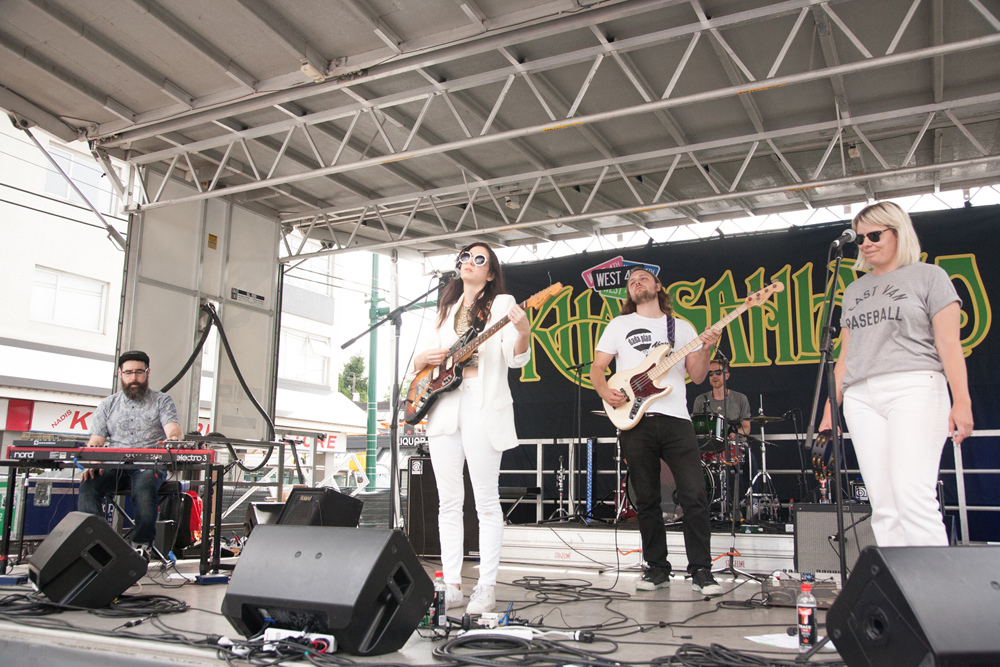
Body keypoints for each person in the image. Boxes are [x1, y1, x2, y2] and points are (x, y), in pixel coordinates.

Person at [820, 202, 973, 547]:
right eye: (860, 239)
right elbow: (845, 354)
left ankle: (933, 594)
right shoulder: (854, 290)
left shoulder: (930, 276)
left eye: (875, 235)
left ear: (898, 232)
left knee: (912, 494)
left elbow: (949, 343)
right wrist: (832, 409)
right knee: (883, 503)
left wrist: (961, 400)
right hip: (861, 397)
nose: (866, 244)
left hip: (915, 386)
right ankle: (899, 592)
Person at [590, 266, 723, 595]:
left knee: (694, 495)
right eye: (632, 282)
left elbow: (697, 375)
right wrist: (605, 391)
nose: (636, 283)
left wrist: (705, 348)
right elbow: (597, 368)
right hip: (635, 420)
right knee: (646, 499)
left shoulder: (682, 327)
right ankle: (657, 569)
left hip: (677, 419)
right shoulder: (619, 325)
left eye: (643, 279)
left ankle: (701, 571)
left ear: (658, 286)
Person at [413, 243, 531, 614]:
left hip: (483, 399)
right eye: (465, 256)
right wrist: (426, 358)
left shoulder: (501, 304)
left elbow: (516, 358)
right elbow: (419, 358)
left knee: (485, 500)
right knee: (448, 501)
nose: (470, 262)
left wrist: (523, 330)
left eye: (480, 259)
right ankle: (450, 584)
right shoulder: (444, 310)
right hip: (444, 403)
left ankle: (486, 585)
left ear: (491, 272)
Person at [79, 350, 183, 551]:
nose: (133, 378)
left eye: (138, 372)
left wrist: (173, 439)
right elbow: (96, 441)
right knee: (88, 484)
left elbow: (174, 429)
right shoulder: (107, 405)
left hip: (148, 466)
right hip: (114, 466)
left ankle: (141, 546)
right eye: (128, 373)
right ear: (120, 374)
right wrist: (93, 463)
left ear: (147, 372)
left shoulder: (162, 401)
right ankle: (97, 544)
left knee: (144, 486)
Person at [691, 358, 752, 441]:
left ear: (727, 376)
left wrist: (736, 433)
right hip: (709, 446)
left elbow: (746, 427)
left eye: (718, 372)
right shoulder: (700, 400)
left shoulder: (740, 398)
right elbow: (696, 428)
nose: (714, 376)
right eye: (711, 373)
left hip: (734, 446)